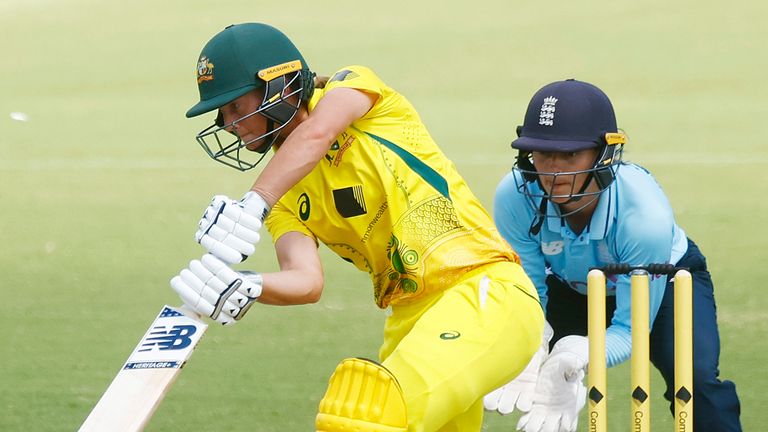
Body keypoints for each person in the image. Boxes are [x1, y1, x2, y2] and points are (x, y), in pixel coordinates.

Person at [169, 23, 544, 432]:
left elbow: (317, 133)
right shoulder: (284, 199)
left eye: (236, 108)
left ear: (280, 88)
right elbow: (306, 281)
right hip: (408, 322)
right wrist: (248, 284)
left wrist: (255, 201)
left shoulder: (352, 89)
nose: (228, 124)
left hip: (482, 292)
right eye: (223, 114)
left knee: (364, 415)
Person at [486, 79, 742, 431]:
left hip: (663, 280)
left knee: (694, 379)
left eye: (570, 154)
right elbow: (531, 293)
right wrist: (531, 342)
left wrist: (579, 353)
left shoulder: (643, 216)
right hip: (570, 285)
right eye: (543, 153)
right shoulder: (514, 197)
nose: (554, 170)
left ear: (605, 152)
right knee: (512, 365)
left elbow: (630, 329)